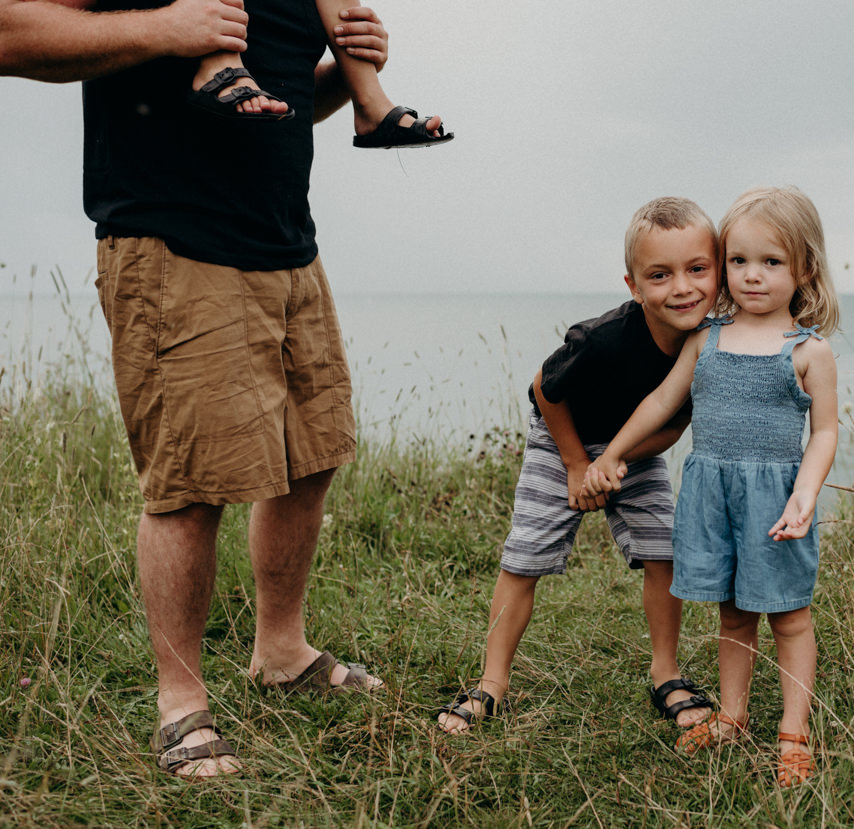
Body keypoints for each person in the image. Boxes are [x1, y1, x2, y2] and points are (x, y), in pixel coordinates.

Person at [1, 0, 396, 778]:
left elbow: (274, 109)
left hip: (285, 243)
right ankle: (180, 706)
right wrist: (160, 28)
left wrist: (341, 79)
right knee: (189, 486)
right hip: (173, 240)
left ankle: (282, 652)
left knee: (312, 456)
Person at [584, 186, 840, 787]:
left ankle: (794, 734)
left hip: (776, 501)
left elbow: (824, 433)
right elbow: (661, 401)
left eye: (772, 262)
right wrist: (615, 451)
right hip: (712, 498)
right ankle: (732, 717)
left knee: (790, 618)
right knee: (732, 616)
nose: (753, 276)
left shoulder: (808, 351)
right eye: (739, 260)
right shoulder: (707, 339)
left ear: (803, 267)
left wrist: (805, 494)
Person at [437, 197, 720, 736]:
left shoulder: (712, 344)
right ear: (634, 285)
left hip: (636, 448)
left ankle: (667, 672)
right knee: (525, 558)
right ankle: (491, 684)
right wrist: (576, 464)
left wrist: (614, 462)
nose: (682, 287)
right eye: (660, 275)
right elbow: (546, 388)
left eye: (697, 269)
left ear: (718, 270)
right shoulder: (602, 339)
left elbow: (675, 424)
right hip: (560, 435)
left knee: (665, 550)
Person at [190, 0, 453, 149]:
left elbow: (288, 103)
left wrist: (351, 71)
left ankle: (371, 103)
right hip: (179, 230)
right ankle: (221, 60)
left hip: (289, 235)